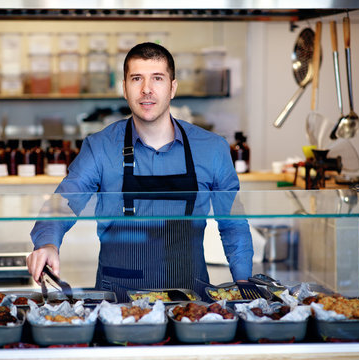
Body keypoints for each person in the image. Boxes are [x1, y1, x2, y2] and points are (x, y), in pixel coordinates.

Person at [27, 42, 253, 301]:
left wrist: (244, 283)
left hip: (192, 304)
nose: (147, 89)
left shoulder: (212, 149)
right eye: (137, 79)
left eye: (157, 78)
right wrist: (47, 244)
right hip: (118, 302)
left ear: (173, 88)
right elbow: (63, 202)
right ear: (124, 88)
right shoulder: (99, 147)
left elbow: (233, 223)